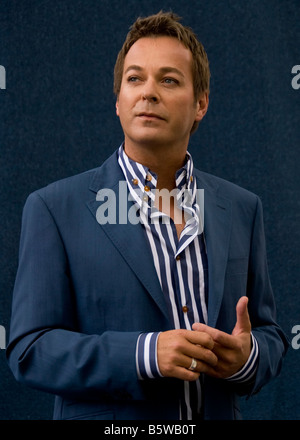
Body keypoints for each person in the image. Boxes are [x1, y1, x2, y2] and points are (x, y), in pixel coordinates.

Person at [7, 11, 288, 420]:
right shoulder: (54, 208)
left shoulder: (242, 208)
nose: (148, 92)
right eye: (135, 79)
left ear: (201, 104)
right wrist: (145, 354)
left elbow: (270, 335)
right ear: (118, 102)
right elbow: (29, 350)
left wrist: (246, 358)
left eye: (169, 80)